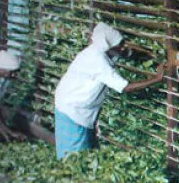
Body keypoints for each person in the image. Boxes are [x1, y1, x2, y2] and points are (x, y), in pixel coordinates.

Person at [54, 22, 166, 159]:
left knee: (88, 153)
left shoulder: (101, 51)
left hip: (78, 108)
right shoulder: (97, 61)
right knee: (75, 157)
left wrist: (150, 55)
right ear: (109, 46)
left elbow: (128, 54)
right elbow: (125, 87)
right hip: (73, 111)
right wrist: (156, 78)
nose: (123, 48)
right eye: (120, 45)